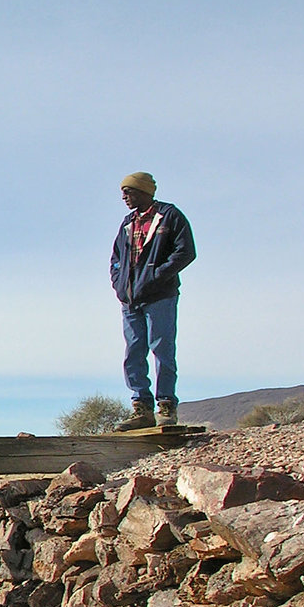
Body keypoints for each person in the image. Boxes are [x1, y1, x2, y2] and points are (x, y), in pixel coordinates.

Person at [110, 171, 195, 430]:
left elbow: (185, 251)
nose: (124, 196)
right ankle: (142, 409)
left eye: (130, 191)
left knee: (162, 349)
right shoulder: (127, 223)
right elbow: (115, 259)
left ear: (145, 192)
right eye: (123, 192)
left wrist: (157, 276)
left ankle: (166, 405)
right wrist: (119, 285)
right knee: (134, 353)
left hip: (160, 296)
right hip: (131, 300)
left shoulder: (169, 216)